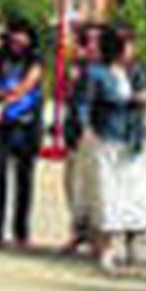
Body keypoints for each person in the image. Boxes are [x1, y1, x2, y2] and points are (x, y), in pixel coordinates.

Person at [80, 25, 146, 270]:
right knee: (107, 193)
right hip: (106, 139)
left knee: (134, 192)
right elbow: (84, 104)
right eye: (128, 45)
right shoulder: (96, 73)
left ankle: (132, 244)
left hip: (132, 141)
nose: (132, 50)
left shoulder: (135, 72)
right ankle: (105, 248)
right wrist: (84, 129)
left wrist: (145, 100)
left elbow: (145, 95)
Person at [0, 15, 44, 248]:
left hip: (26, 125)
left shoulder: (35, 61)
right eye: (14, 35)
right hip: (1, 126)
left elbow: (26, 88)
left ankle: (21, 231)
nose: (17, 40)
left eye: (22, 35)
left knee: (24, 180)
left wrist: (3, 101)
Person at [61, 21, 101, 254]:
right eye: (86, 40)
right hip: (75, 134)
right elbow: (69, 99)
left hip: (99, 135)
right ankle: (78, 232)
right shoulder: (77, 68)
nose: (89, 45)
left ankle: (98, 236)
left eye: (95, 40)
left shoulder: (108, 69)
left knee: (96, 188)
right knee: (73, 186)